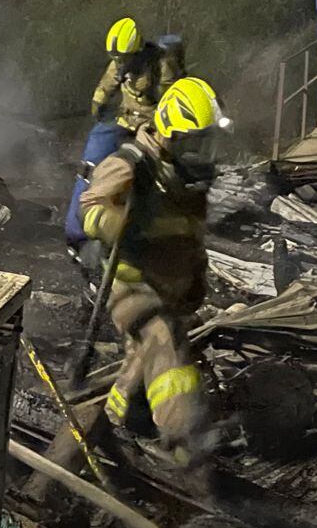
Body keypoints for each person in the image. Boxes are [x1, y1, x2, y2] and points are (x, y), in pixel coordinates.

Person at [80, 77, 226, 467]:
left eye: (207, 142)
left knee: (143, 356)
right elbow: (89, 210)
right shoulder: (132, 164)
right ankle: (183, 443)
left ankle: (113, 418)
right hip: (129, 283)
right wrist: (116, 220)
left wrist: (196, 279)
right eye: (196, 142)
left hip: (168, 286)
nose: (202, 152)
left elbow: (190, 239)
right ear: (171, 134)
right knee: (164, 340)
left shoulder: (186, 180)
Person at [65, 19, 164, 252]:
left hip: (150, 125)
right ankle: (76, 230)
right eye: (117, 59)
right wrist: (98, 105)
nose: (120, 64)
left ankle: (141, 233)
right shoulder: (119, 63)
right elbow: (105, 87)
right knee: (94, 154)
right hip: (124, 119)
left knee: (148, 170)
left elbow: (171, 99)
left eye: (124, 59)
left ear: (137, 52)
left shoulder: (160, 65)